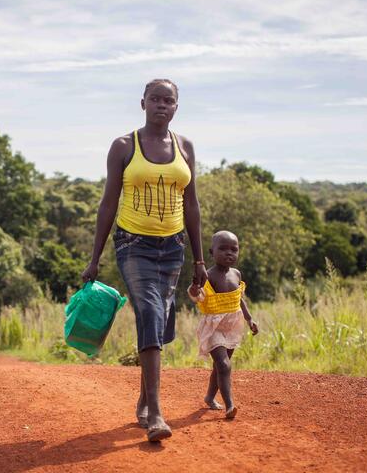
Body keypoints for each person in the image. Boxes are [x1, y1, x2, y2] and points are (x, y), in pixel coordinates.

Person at [81, 79, 207, 442]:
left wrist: (199, 262)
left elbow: (192, 204)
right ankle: (155, 413)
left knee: (161, 324)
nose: (161, 105)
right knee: (150, 312)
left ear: (176, 107)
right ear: (143, 103)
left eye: (168, 100)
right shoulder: (124, 146)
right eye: (155, 99)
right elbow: (107, 203)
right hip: (132, 244)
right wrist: (95, 258)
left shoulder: (185, 147)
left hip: (173, 248)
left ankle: (143, 398)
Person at [188, 230, 259, 419]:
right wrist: (195, 287)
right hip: (213, 326)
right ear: (211, 252)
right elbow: (197, 296)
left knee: (220, 366)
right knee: (224, 364)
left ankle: (210, 397)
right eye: (223, 249)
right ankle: (230, 405)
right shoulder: (208, 275)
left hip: (232, 325)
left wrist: (249, 318)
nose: (229, 253)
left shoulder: (236, 274)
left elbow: (239, 298)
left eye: (234, 250)